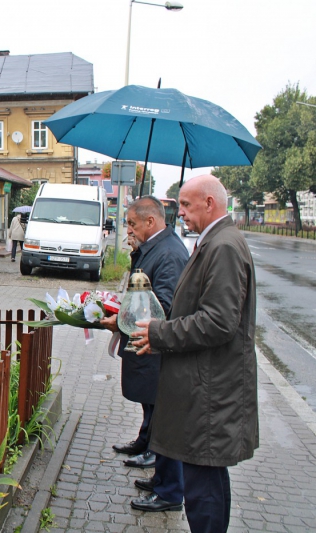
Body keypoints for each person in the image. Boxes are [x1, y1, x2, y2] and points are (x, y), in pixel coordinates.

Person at [132, 174, 258, 533]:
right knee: (206, 482)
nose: (180, 212)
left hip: (211, 393)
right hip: (207, 387)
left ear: (209, 203)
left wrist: (160, 333)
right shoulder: (214, 241)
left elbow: (219, 322)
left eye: (186, 205)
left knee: (204, 490)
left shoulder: (224, 246)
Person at [99, 196, 188, 513]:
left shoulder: (169, 254)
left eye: (133, 224)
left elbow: (160, 306)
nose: (129, 229)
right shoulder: (155, 249)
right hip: (150, 346)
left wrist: (121, 323)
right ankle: (162, 481)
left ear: (151, 221)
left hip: (158, 349)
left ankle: (170, 492)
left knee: (166, 423)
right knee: (158, 418)